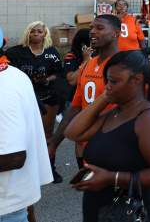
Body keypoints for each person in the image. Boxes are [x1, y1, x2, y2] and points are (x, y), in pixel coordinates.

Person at [65, 50, 150, 222]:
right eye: (107, 81)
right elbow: (73, 133)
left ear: (137, 80)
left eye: (114, 81)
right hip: (99, 209)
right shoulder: (113, 113)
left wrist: (110, 178)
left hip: (132, 211)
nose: (107, 86)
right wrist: (106, 96)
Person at [48, 15, 120, 171]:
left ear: (116, 33)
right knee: (90, 192)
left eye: (99, 28)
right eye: (91, 28)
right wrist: (54, 143)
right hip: (85, 146)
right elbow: (75, 107)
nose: (92, 32)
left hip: (113, 145)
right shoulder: (88, 64)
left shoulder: (123, 64)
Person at [6, 21, 64, 183]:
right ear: (28, 33)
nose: (36, 33)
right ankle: (25, 169)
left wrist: (46, 80)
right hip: (24, 97)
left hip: (48, 96)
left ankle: (50, 168)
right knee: (23, 134)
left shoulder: (52, 52)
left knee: (47, 135)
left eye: (40, 31)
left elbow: (59, 73)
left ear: (45, 34)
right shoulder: (15, 52)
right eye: (33, 31)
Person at [0, 52, 53, 222]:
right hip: (14, 201)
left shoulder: (4, 87)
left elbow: (14, 158)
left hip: (5, 207)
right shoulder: (14, 75)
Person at [63, 28, 93, 94]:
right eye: (91, 42)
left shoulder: (96, 54)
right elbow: (72, 81)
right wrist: (85, 61)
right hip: (74, 95)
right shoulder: (71, 56)